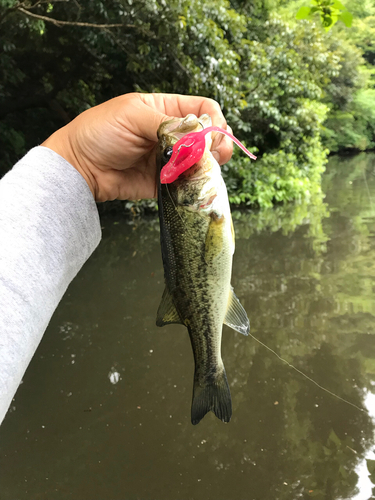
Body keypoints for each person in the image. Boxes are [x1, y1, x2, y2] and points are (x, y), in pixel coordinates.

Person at [0, 92, 233, 425]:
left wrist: (77, 159)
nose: (174, 146)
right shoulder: (205, 207)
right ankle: (210, 371)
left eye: (172, 153)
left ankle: (209, 370)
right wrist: (76, 159)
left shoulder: (198, 203)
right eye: (171, 153)